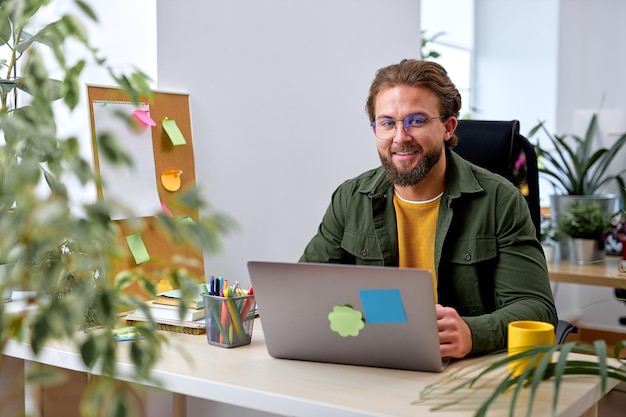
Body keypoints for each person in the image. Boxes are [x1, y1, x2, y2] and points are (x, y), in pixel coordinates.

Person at [299, 59, 558, 358]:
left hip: (464, 374)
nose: (400, 137)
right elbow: (306, 288)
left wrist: (472, 334)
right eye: (387, 123)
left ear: (448, 127)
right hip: (375, 360)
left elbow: (537, 309)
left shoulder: (500, 200)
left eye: (416, 121)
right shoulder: (350, 198)